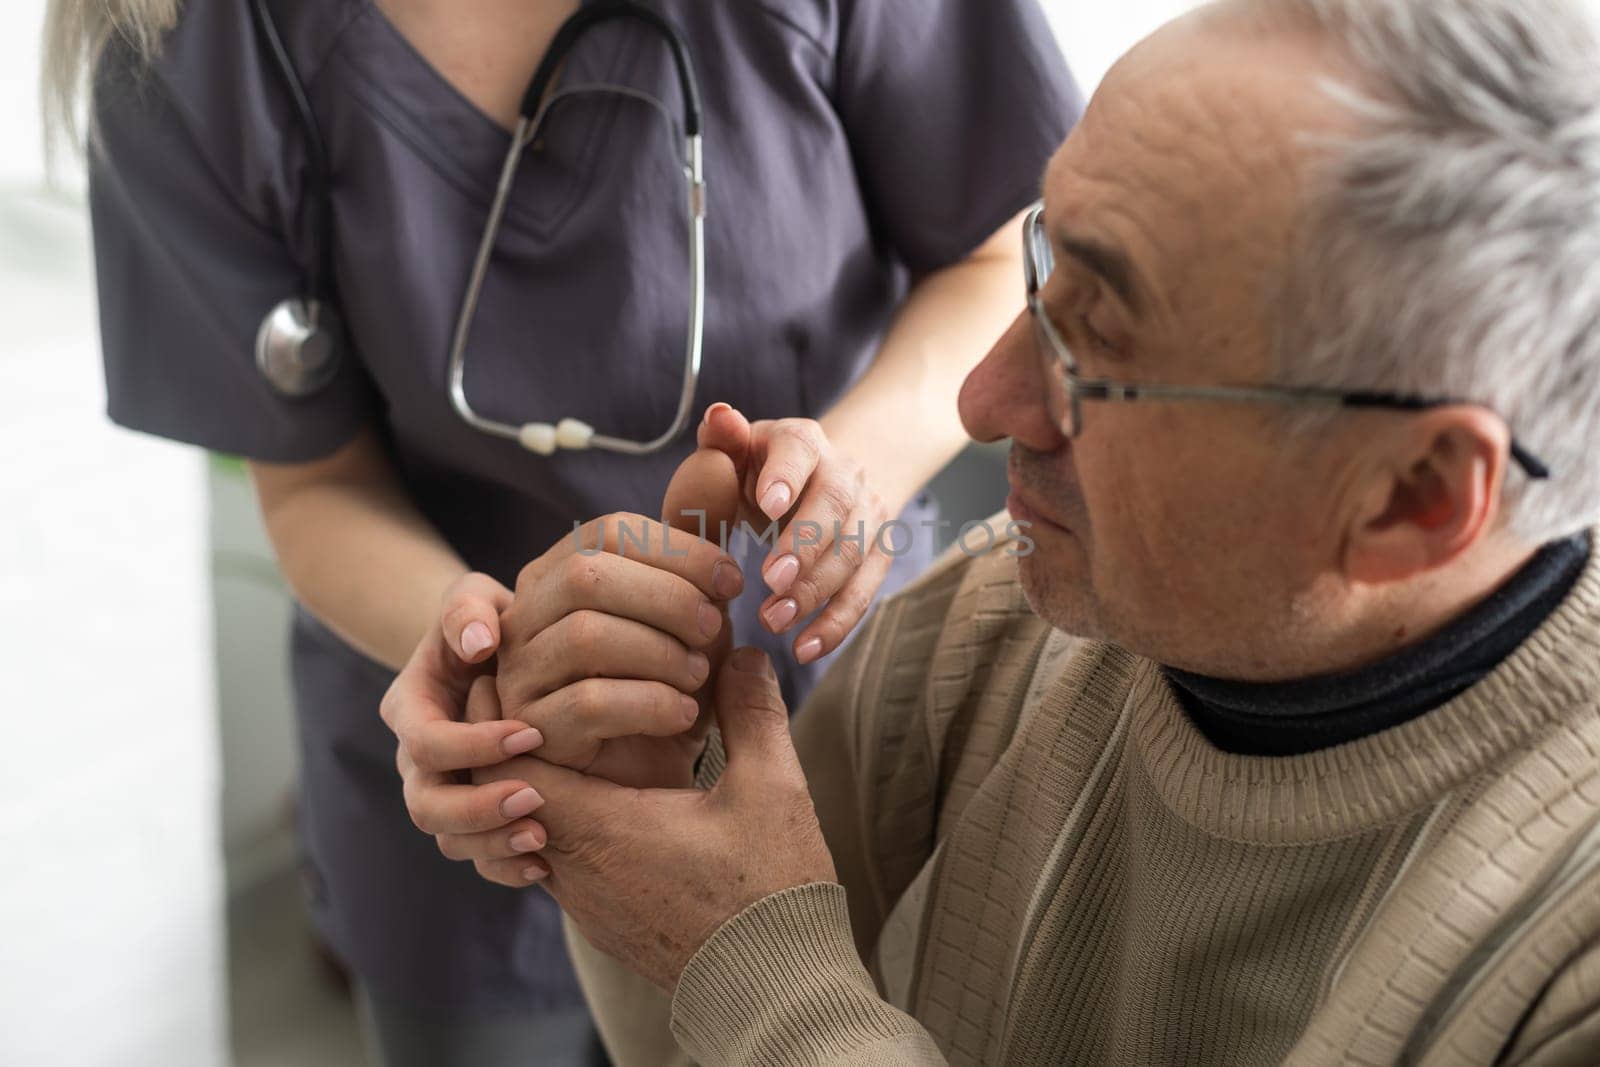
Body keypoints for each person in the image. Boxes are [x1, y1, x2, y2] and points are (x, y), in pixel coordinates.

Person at [388, 0, 1600, 1062]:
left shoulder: (1560, 967)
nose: (982, 400)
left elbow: (758, 995)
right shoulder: (980, 635)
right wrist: (643, 778)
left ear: (1411, 494)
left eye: (1101, 345)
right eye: (1043, 267)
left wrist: (772, 974)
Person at [47, 0, 1079, 1061]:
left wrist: (843, 474)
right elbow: (313, 479)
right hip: (479, 791)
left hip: (837, 734)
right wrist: (480, 644)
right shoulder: (189, 40)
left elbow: (997, 251)